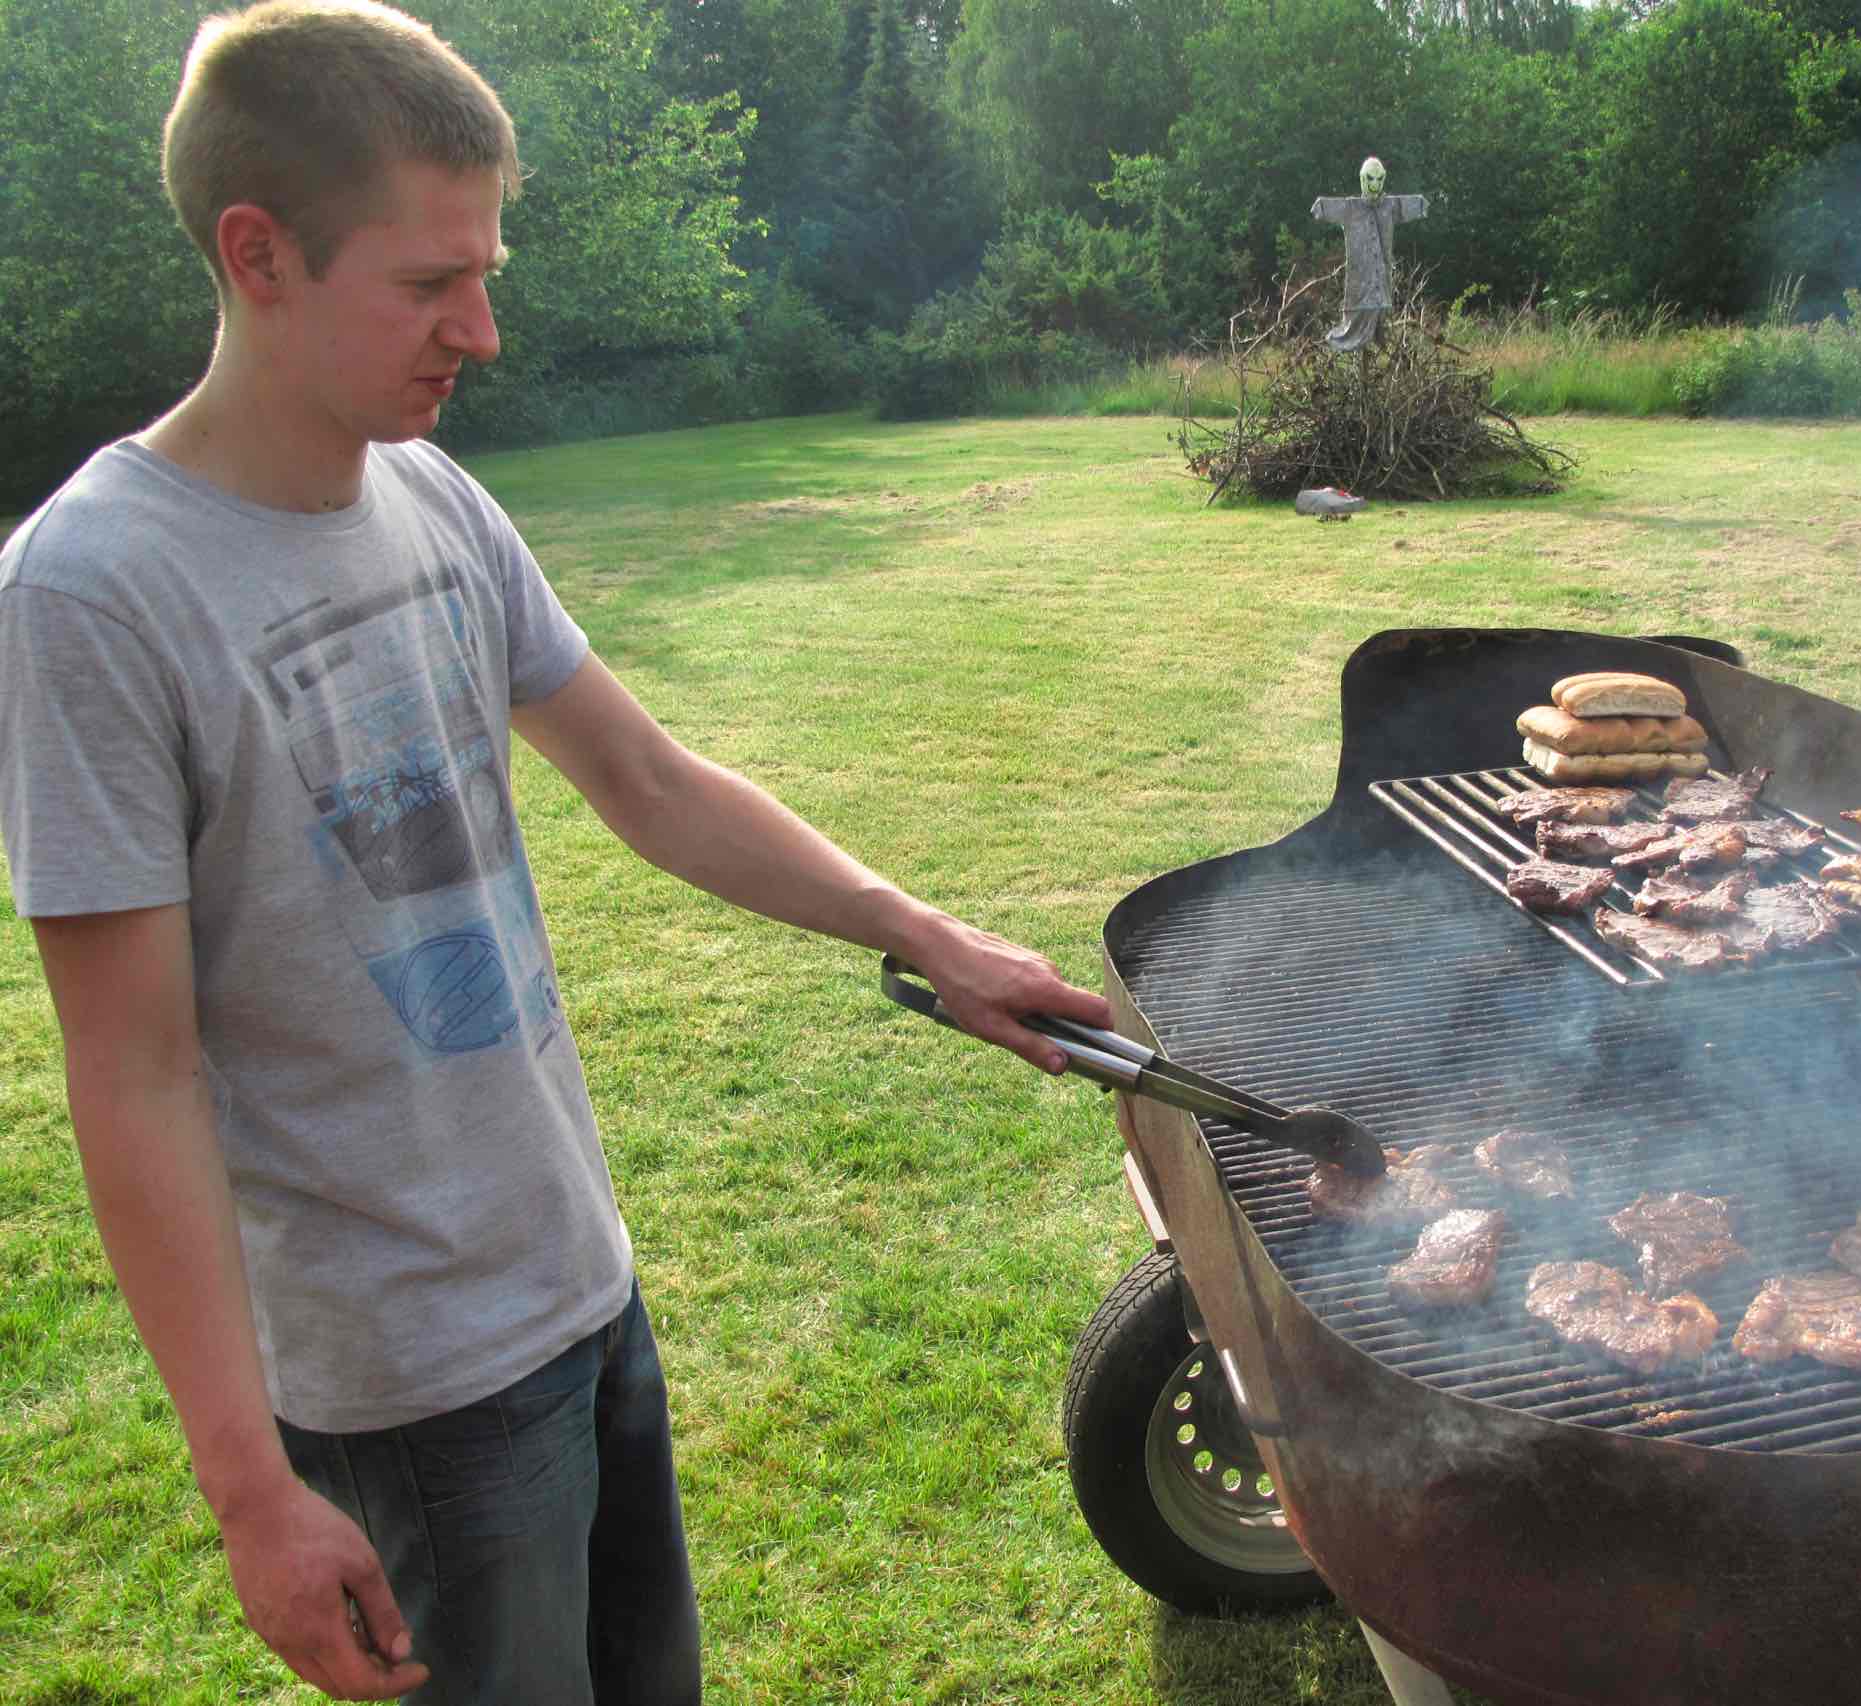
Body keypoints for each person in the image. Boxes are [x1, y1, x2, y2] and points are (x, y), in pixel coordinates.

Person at [0, 3, 1111, 1700]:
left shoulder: (434, 499)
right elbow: (132, 1072)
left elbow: (645, 779)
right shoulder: (91, 592)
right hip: (406, 1374)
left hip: (577, 1284)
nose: (486, 330)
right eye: (431, 282)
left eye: (486, 268)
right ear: (258, 254)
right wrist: (248, 1491)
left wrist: (930, 934)